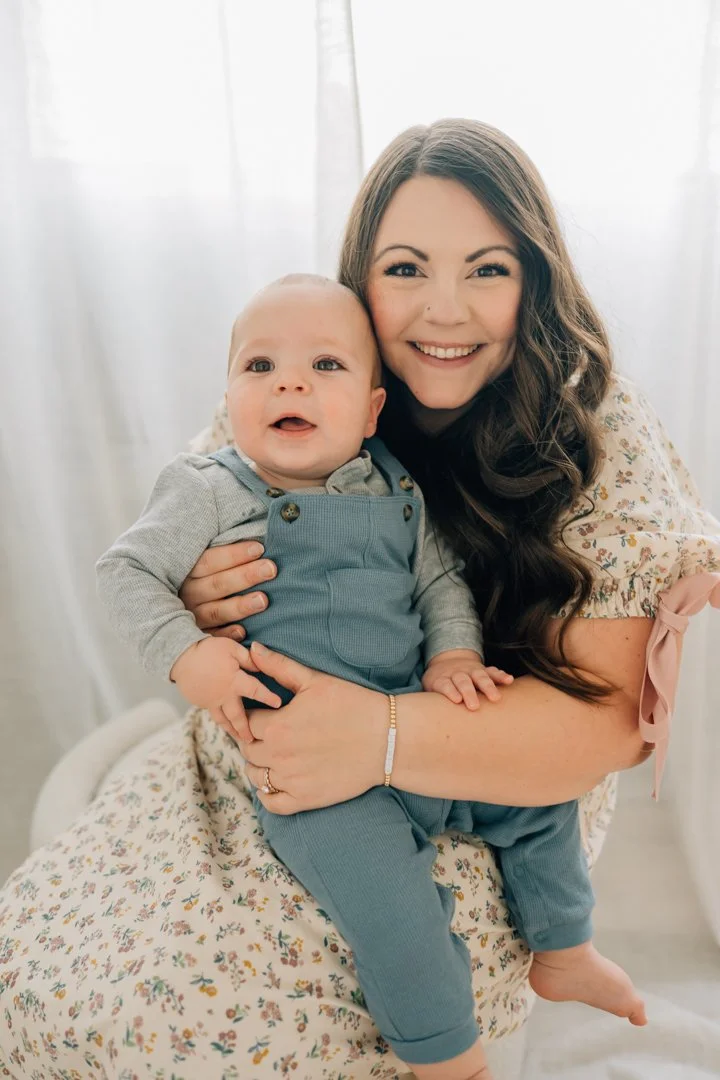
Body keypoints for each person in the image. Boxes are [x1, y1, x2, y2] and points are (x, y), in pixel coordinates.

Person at [1, 118, 718, 1080]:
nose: (446, 310)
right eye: (407, 268)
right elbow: (157, 574)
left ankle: (553, 959)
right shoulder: (298, 369)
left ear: (536, 281)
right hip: (289, 743)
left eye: (490, 269)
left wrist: (398, 717)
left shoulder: (590, 430)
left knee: (391, 945)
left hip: (495, 737)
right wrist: (203, 604)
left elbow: (594, 720)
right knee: (225, 967)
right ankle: (444, 1052)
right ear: (358, 283)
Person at [95, 273, 646, 1080]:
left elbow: (439, 584)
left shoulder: (394, 484)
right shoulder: (208, 488)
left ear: (372, 410)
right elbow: (124, 572)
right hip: (318, 777)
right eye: (260, 367)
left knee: (539, 802)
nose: (289, 382)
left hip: (417, 733)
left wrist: (455, 653)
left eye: (325, 366)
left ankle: (565, 946)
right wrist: (190, 652)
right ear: (228, 396)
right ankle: (447, 1057)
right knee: (395, 912)